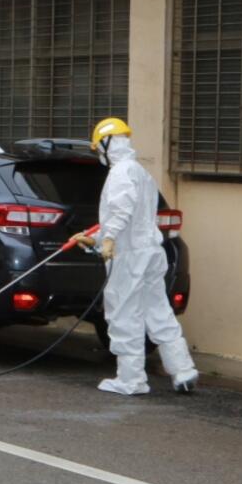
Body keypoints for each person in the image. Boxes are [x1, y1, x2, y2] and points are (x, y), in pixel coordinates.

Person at [70, 118, 198, 395]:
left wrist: (108, 238)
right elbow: (131, 217)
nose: (99, 154)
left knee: (124, 315)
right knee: (158, 311)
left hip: (130, 258)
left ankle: (131, 380)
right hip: (149, 252)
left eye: (98, 148)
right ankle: (183, 370)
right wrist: (95, 239)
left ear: (106, 144)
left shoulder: (120, 173)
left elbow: (121, 210)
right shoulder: (140, 172)